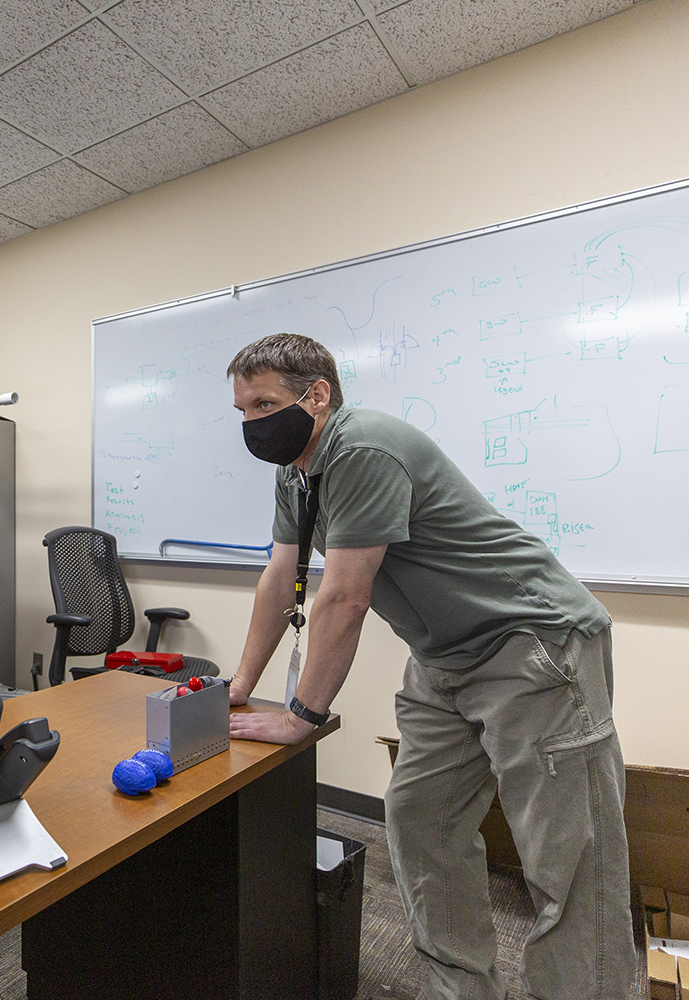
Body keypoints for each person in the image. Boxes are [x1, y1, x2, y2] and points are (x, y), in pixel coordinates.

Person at [223, 334, 633, 1000]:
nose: (253, 423)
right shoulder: (296, 471)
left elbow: (345, 596)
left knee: (568, 858)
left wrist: (301, 716)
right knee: (422, 823)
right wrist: (239, 689)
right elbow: (280, 577)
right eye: (242, 410)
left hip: (529, 644)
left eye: (264, 403)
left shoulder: (362, 446)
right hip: (443, 658)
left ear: (317, 395)